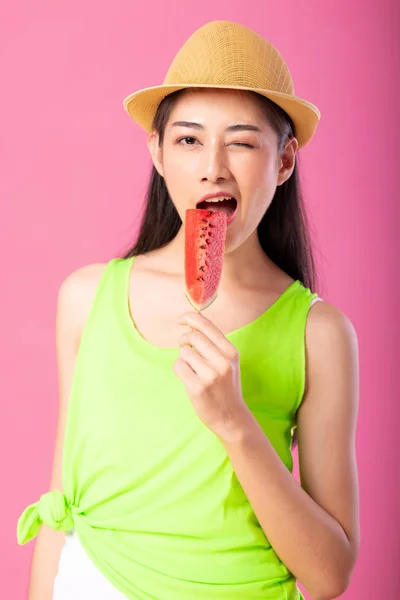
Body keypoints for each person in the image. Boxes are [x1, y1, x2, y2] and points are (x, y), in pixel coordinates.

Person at [17, 19, 360, 600]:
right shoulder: (86, 299)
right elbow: (62, 504)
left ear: (284, 161)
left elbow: (329, 576)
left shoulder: (319, 332)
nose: (213, 168)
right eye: (189, 139)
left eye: (244, 142)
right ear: (156, 151)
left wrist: (234, 422)